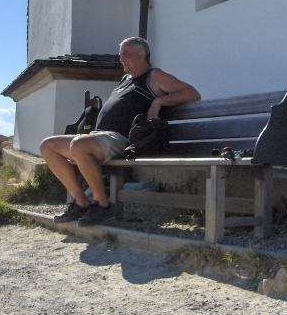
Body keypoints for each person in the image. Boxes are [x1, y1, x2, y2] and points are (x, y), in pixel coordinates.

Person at [39, 37, 201, 226]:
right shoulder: (125, 79)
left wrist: (159, 102)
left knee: (79, 145)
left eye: (126, 54)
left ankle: (102, 204)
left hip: (122, 139)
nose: (121, 59)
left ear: (142, 54)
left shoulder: (154, 75)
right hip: (99, 137)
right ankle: (81, 202)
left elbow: (192, 93)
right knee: (47, 146)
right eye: (120, 55)